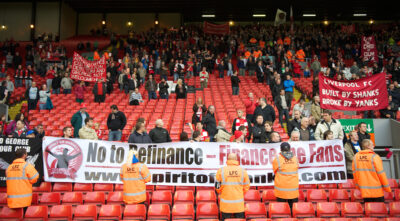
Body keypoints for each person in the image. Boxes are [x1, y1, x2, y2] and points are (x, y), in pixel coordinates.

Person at [216, 153, 250, 221]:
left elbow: (217, 187)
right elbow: (247, 186)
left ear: (227, 160)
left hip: (226, 205)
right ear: (236, 160)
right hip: (239, 205)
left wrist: (221, 191)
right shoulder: (243, 171)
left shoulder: (221, 170)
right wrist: (240, 193)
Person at [272, 142, 299, 209]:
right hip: (293, 189)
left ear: (281, 149)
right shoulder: (295, 158)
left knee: (282, 210)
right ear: (290, 149)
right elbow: (297, 168)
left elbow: (275, 171)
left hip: (281, 189)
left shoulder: (277, 159)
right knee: (293, 210)